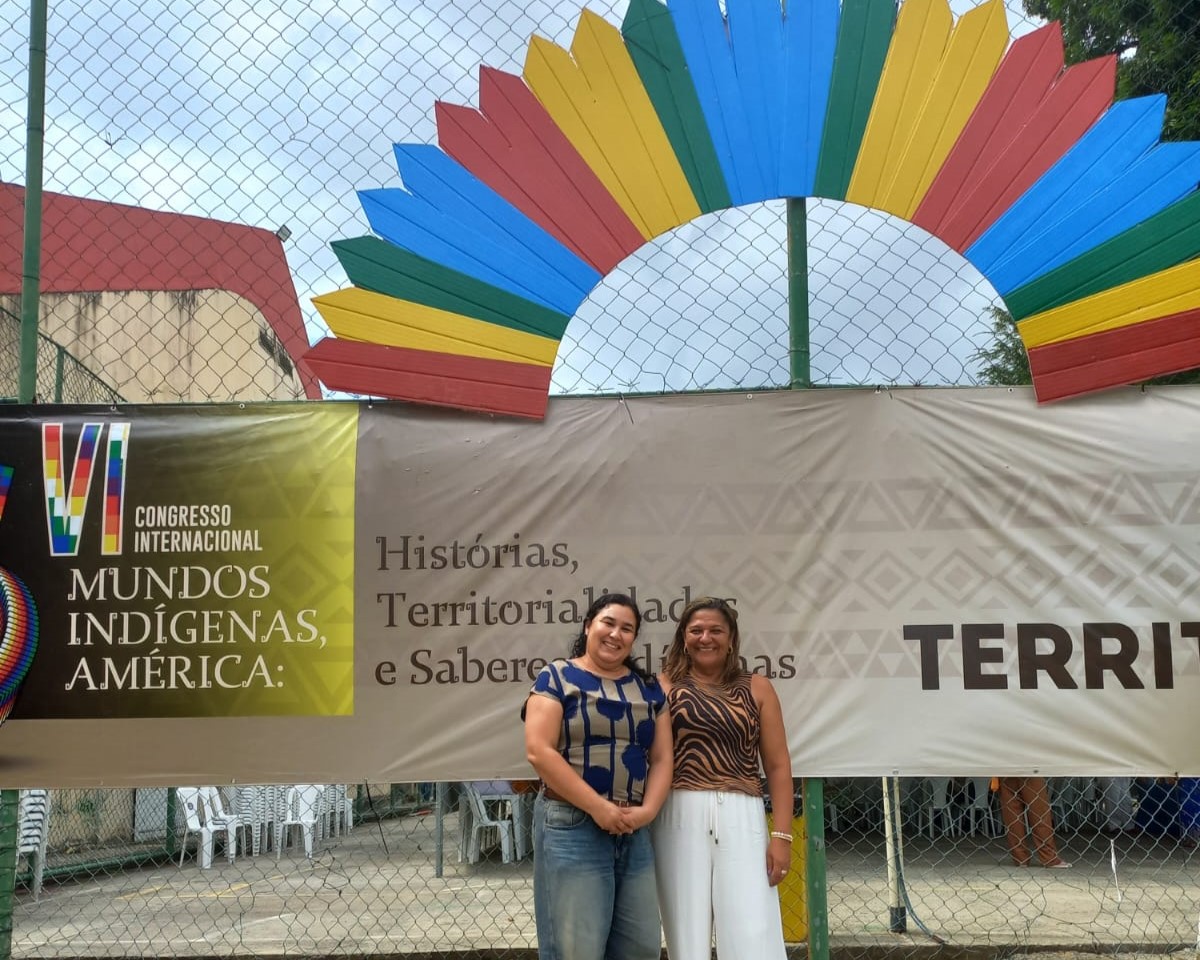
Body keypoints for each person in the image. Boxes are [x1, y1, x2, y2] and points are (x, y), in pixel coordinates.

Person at [522, 593, 673, 960]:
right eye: (608, 623)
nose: (615, 634)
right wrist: (598, 807)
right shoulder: (556, 676)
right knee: (577, 950)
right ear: (588, 625)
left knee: (641, 948)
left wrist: (648, 812)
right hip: (572, 825)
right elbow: (539, 751)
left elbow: (663, 756)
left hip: (633, 829)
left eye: (627, 629)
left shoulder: (649, 689)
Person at [652, 596, 792, 960]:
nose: (705, 637)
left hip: (742, 813)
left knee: (752, 928)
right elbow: (654, 759)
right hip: (678, 811)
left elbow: (777, 766)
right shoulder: (664, 687)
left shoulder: (757, 687)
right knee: (686, 933)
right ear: (684, 637)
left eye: (716, 630)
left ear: (731, 638)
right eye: (696, 630)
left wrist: (781, 836)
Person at [996, 776, 1071, 868]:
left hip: (1004, 770)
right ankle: (1049, 857)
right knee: (1039, 813)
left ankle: (1020, 858)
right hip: (1030, 769)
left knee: (1012, 816)